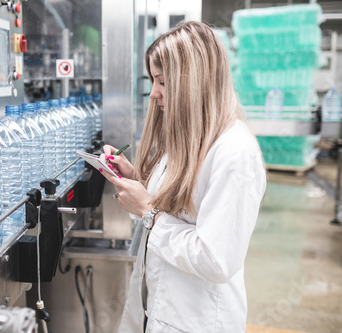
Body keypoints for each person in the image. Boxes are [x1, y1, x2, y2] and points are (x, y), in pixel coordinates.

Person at [99, 21, 267, 333]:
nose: (153, 94)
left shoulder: (233, 153)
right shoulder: (189, 141)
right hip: (163, 310)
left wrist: (148, 212)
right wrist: (136, 177)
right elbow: (182, 205)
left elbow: (215, 259)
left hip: (197, 321)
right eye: (152, 80)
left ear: (192, 81)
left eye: (162, 81)